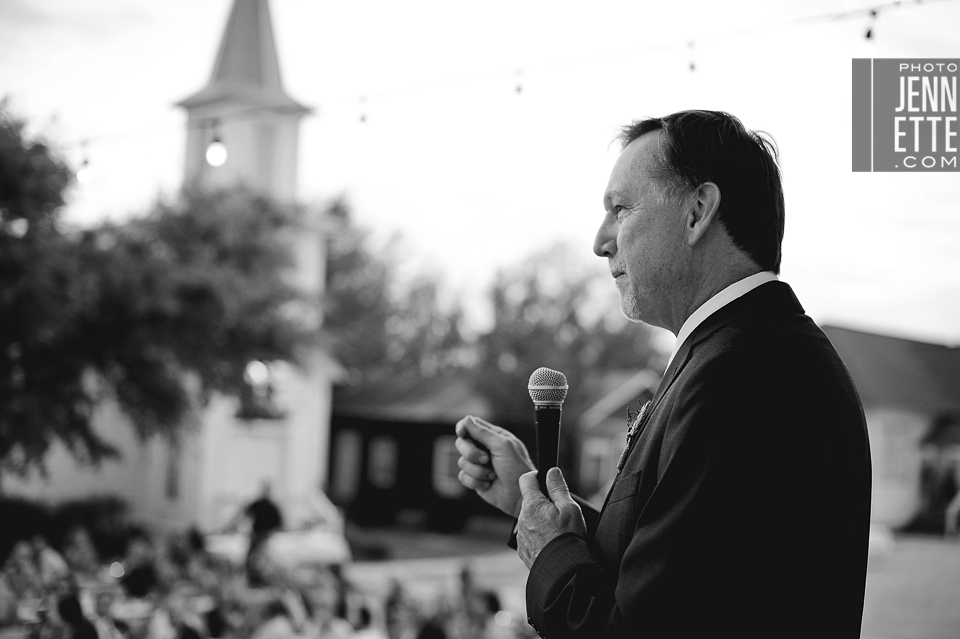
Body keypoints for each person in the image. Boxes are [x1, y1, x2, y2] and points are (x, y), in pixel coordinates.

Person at [455, 110, 872, 638]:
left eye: (620, 209)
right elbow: (665, 571)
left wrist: (551, 552)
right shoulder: (753, 350)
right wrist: (529, 500)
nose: (600, 241)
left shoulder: (738, 376)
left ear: (697, 211)